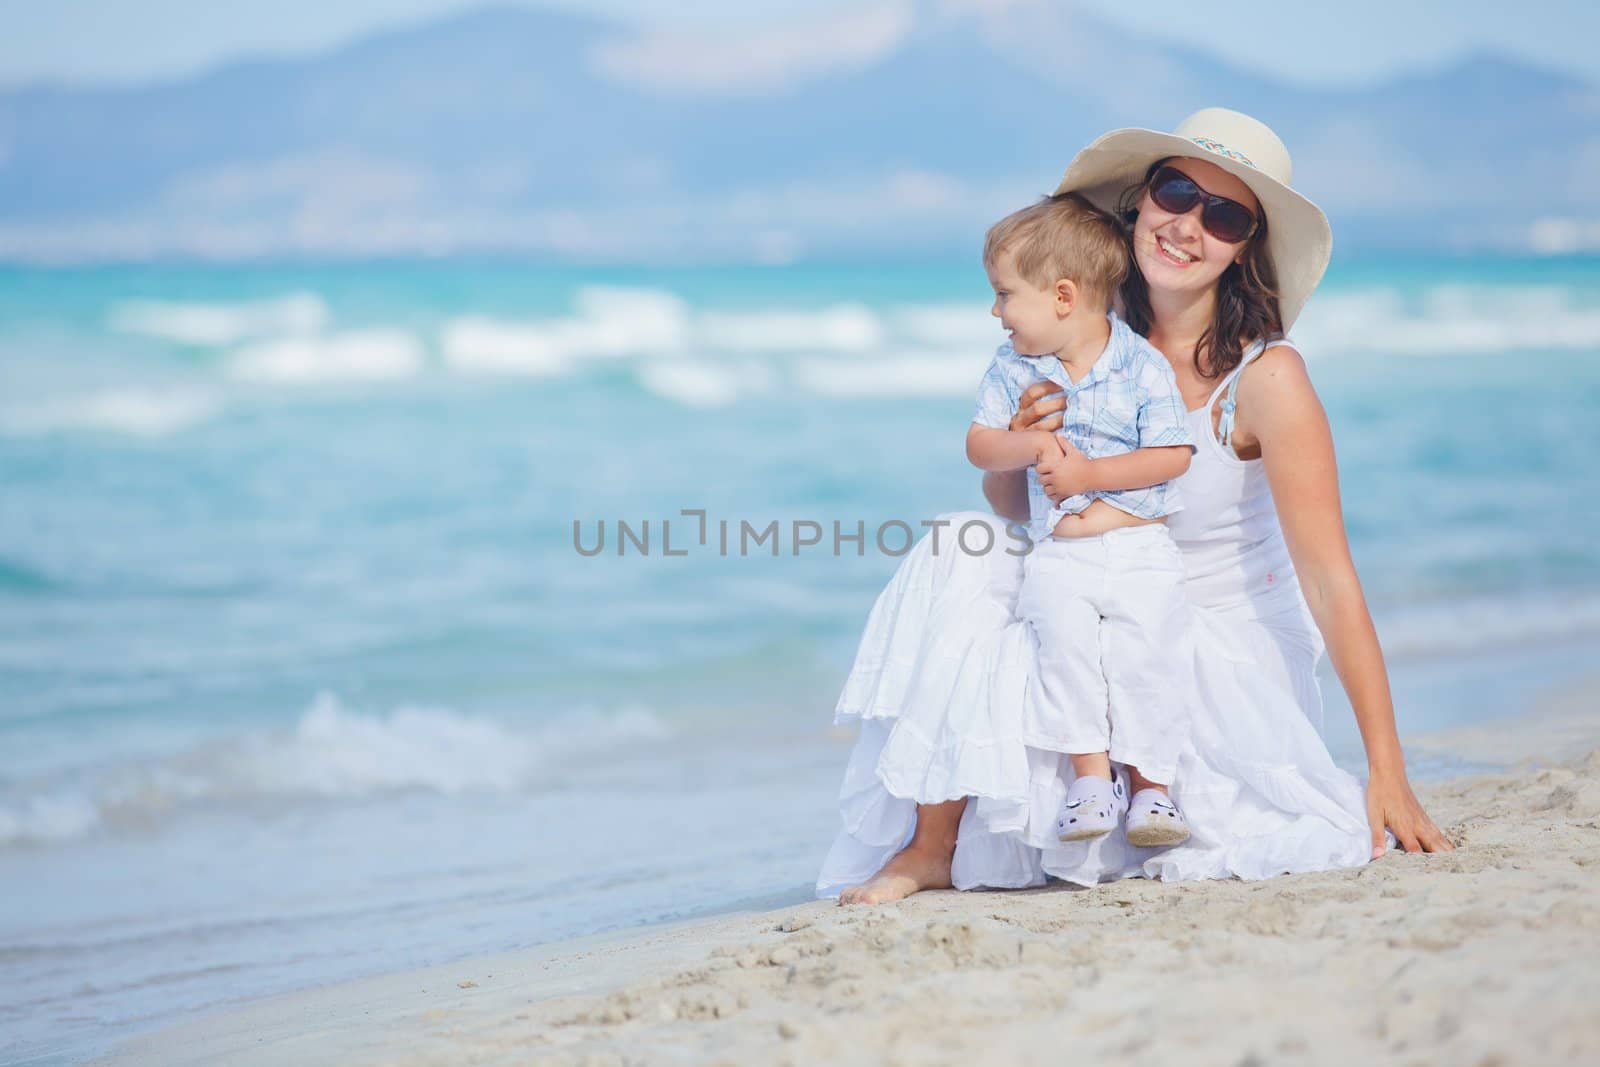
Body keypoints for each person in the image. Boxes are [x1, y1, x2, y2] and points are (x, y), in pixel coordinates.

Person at [817, 108, 1452, 905]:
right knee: (963, 544)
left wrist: (1387, 773)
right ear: (1141, 202)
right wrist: (1022, 440)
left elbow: (1328, 579)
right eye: (1176, 191)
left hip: (1204, 636)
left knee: (1111, 642)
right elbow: (1017, 511)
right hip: (1090, 592)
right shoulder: (1083, 339)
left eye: (1222, 215)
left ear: (1244, 248)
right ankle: (931, 845)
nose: (1188, 225)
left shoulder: (1266, 381)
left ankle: (1125, 788)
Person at [968, 193, 1198, 848]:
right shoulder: (1012, 369)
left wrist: (1088, 475)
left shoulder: (1141, 366)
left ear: (1063, 296)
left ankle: (1152, 787)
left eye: (1005, 294)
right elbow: (979, 445)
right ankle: (1091, 779)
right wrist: (1030, 444)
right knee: (1062, 651)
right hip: (1063, 552)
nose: (995, 310)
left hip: (1138, 545)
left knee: (1147, 653)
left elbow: (1173, 455)